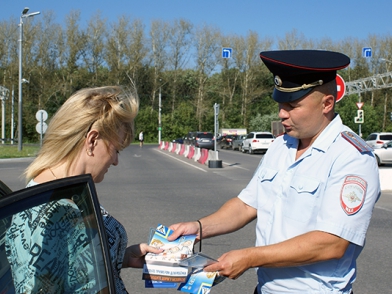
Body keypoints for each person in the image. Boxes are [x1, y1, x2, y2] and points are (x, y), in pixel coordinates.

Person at [168, 50, 381, 293]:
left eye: (292, 105)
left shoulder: (351, 156)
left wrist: (249, 257)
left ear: (327, 104)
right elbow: (247, 205)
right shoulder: (281, 145)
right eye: (280, 104)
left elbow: (331, 243)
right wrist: (198, 227)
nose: (282, 113)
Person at [5, 86, 161, 293]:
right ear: (92, 140)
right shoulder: (48, 213)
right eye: (115, 150)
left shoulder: (69, 190)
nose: (115, 161)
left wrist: (120, 257)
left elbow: (72, 268)